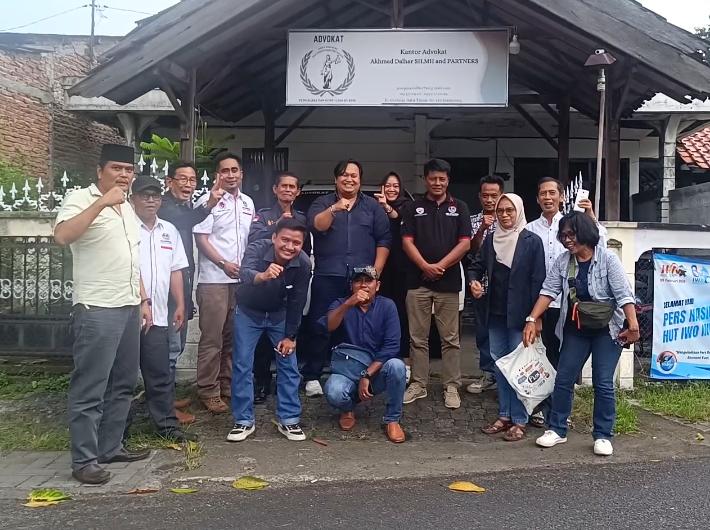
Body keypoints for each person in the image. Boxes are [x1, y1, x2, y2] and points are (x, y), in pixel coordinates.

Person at [54, 144, 151, 485]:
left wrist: (143, 299)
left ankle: (110, 447)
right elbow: (62, 236)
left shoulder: (127, 207)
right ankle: (84, 460)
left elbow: (131, 257)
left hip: (128, 306)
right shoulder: (81, 198)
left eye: (128, 169)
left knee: (124, 381)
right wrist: (100, 203)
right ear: (100, 171)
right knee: (91, 386)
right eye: (116, 168)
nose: (124, 174)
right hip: (97, 308)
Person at [524, 212, 639, 456]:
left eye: (571, 235)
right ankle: (557, 429)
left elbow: (624, 295)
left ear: (585, 233)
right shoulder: (564, 261)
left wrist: (633, 326)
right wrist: (532, 319)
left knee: (603, 382)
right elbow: (548, 291)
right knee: (563, 378)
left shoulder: (607, 259)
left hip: (608, 330)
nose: (567, 240)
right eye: (563, 236)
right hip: (576, 329)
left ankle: (603, 435)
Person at [303, 159, 391, 397]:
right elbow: (316, 226)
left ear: (360, 180)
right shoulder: (323, 203)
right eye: (344, 174)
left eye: (354, 175)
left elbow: (384, 239)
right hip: (328, 274)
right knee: (321, 324)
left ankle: (357, 372)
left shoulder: (372, 207)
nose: (349, 179)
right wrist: (334, 209)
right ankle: (312, 375)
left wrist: (375, 273)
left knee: (357, 325)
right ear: (336, 179)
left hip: (361, 279)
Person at [525, 177, 606, 427]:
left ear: (561, 197)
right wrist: (534, 316)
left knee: (565, 362)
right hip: (543, 304)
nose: (547, 197)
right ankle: (540, 408)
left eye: (552, 193)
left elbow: (600, 242)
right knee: (542, 358)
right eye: (543, 193)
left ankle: (561, 412)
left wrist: (590, 216)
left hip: (570, 306)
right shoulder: (529, 229)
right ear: (537, 198)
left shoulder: (574, 224)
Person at [468, 193, 546, 442]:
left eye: (509, 210)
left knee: (519, 369)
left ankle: (520, 419)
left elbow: (539, 281)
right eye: (500, 211)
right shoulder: (492, 239)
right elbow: (476, 265)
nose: (504, 215)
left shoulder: (532, 241)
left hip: (521, 316)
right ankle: (504, 415)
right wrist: (473, 282)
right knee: (501, 366)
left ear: (519, 211)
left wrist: (536, 318)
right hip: (495, 313)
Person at [227, 218, 312, 442]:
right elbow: (244, 272)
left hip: (279, 315)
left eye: (296, 242)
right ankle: (243, 420)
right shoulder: (257, 248)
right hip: (249, 312)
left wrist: (291, 336)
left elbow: (298, 300)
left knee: (288, 363)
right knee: (242, 364)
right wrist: (262, 275)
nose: (289, 246)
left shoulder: (303, 263)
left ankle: (289, 419)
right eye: (285, 240)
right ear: (274, 238)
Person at [130, 176, 197, 443]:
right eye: (144, 196)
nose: (150, 201)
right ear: (133, 199)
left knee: (159, 374)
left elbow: (176, 270)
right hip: (128, 316)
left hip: (158, 315)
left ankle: (166, 427)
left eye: (155, 196)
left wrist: (180, 304)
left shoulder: (168, 230)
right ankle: (118, 430)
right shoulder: (125, 228)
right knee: (123, 377)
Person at [401, 158, 472, 409]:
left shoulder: (460, 207)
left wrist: (440, 265)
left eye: (442, 178)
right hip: (417, 281)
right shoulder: (413, 207)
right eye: (433, 178)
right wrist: (425, 266)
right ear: (425, 179)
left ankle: (451, 385)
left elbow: (465, 243)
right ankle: (418, 383)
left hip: (448, 282)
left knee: (450, 338)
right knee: (417, 338)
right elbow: (407, 241)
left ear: (448, 180)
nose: (437, 183)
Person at [159, 161, 225, 424]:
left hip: (182, 285)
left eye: (192, 180)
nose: (188, 185)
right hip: (166, 288)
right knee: (170, 348)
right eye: (183, 179)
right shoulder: (163, 206)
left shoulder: (183, 206)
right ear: (169, 181)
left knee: (176, 346)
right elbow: (184, 221)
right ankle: (164, 409)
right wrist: (209, 204)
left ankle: (166, 397)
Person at [192, 153, 254, 413]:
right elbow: (201, 238)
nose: (230, 175)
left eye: (234, 170)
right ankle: (207, 389)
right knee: (212, 338)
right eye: (225, 170)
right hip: (214, 280)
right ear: (218, 174)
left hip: (240, 281)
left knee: (232, 337)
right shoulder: (208, 201)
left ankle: (226, 383)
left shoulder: (248, 202)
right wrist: (222, 263)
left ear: (241, 174)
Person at [323, 266, 407, 443]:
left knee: (398, 366)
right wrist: (348, 304)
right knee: (334, 391)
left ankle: (392, 419)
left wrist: (366, 375)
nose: (363, 285)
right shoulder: (340, 303)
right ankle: (347, 409)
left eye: (368, 281)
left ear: (377, 285)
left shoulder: (387, 306)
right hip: (347, 369)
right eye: (358, 281)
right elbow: (329, 326)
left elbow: (392, 346)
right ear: (351, 286)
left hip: (376, 369)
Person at [248, 171, 309, 403]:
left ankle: (288, 386)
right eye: (284, 186)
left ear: (298, 192)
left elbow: (303, 249)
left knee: (290, 328)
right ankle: (262, 382)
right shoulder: (264, 215)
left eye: (292, 187)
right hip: (265, 278)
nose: (288, 190)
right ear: (275, 189)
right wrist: (279, 225)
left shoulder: (302, 217)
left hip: (292, 280)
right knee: (262, 340)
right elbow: (254, 239)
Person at [466, 175, 504, 395]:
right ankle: (488, 374)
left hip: (504, 287)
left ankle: (505, 375)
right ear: (479, 197)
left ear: (501, 196)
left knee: (505, 332)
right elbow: (471, 250)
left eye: (494, 196)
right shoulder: (472, 220)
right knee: (483, 331)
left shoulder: (510, 219)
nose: (490, 200)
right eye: (486, 196)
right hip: (480, 285)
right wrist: (482, 228)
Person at [374, 171, 412, 360]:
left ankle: (400, 354)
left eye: (396, 186)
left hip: (400, 267)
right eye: (388, 185)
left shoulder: (408, 205)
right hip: (377, 266)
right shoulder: (372, 206)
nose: (391, 189)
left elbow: (398, 218)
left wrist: (387, 207)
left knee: (400, 311)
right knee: (377, 310)